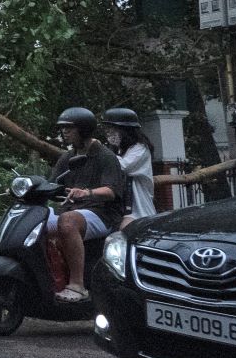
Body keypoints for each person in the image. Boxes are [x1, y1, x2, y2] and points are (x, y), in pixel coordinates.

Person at [49, 106, 125, 303]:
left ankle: (77, 285)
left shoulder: (105, 156)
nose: (65, 132)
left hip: (102, 213)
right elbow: (52, 184)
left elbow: (111, 191)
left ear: (83, 129)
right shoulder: (67, 157)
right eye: (63, 128)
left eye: (70, 128)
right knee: (36, 219)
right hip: (73, 209)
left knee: (68, 222)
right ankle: (50, 278)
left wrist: (87, 192)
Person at [102, 107, 156, 229]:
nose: (108, 133)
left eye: (112, 128)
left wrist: (101, 152)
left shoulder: (140, 149)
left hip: (137, 209)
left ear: (125, 130)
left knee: (123, 234)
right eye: (107, 129)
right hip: (118, 209)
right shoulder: (118, 150)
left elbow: (122, 167)